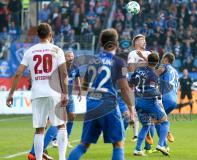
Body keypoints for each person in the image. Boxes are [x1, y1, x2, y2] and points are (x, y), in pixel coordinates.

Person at [67, 28, 135, 160]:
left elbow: (85, 84)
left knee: (84, 144)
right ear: (116, 43)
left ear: (101, 43)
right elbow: (125, 88)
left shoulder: (93, 60)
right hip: (108, 104)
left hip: (92, 104)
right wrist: (131, 109)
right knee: (118, 144)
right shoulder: (119, 61)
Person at [6, 23, 68, 160]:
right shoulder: (57, 50)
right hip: (55, 93)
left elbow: (18, 74)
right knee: (61, 125)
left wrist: (11, 94)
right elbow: (64, 73)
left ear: (37, 35)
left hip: (38, 93)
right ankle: (62, 158)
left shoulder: (30, 51)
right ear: (50, 35)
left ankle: (38, 158)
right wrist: (65, 92)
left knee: (40, 129)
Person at [27, 50, 82, 160]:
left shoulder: (74, 67)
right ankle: (39, 150)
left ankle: (38, 150)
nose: (70, 58)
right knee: (54, 123)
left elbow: (76, 79)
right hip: (59, 96)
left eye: (72, 56)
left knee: (60, 121)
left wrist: (79, 90)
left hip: (61, 95)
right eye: (68, 56)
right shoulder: (58, 66)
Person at [130, 53, 167, 156]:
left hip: (138, 102)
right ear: (156, 63)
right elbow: (151, 91)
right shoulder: (154, 74)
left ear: (147, 61)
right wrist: (158, 94)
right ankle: (161, 145)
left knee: (146, 126)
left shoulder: (138, 70)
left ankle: (137, 149)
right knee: (165, 121)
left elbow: (130, 84)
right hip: (149, 102)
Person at [127, 34, 151, 142]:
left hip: (148, 86)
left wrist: (142, 60)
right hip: (135, 85)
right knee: (135, 110)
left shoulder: (149, 53)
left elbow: (154, 65)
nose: (144, 41)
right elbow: (131, 68)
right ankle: (136, 134)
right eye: (142, 40)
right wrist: (144, 64)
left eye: (145, 40)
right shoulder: (132, 53)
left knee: (149, 111)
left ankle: (147, 134)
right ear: (136, 42)